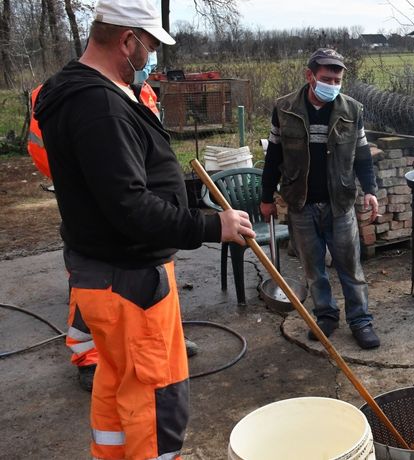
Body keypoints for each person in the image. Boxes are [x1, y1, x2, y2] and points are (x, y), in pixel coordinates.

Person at [33, 0, 255, 457]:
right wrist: (211, 226)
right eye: (150, 46)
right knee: (157, 399)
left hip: (104, 274)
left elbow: (121, 182)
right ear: (126, 40)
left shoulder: (79, 90)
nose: (152, 56)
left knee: (118, 383)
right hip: (129, 281)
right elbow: (130, 206)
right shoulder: (100, 106)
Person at [29, 79, 196, 393]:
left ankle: (160, 339)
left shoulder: (141, 89)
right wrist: (97, 182)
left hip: (143, 208)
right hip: (101, 208)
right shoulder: (78, 95)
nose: (148, 59)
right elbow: (47, 153)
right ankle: (88, 357)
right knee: (94, 290)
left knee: (154, 287)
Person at [260, 48, 380, 349]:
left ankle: (360, 321)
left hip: (339, 204)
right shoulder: (285, 108)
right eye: (327, 79)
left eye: (337, 80)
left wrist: (370, 190)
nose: (332, 85)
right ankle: (325, 316)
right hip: (301, 204)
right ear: (310, 76)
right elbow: (273, 155)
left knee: (351, 269)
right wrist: (266, 196)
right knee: (314, 270)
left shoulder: (352, 110)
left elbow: (362, 155)